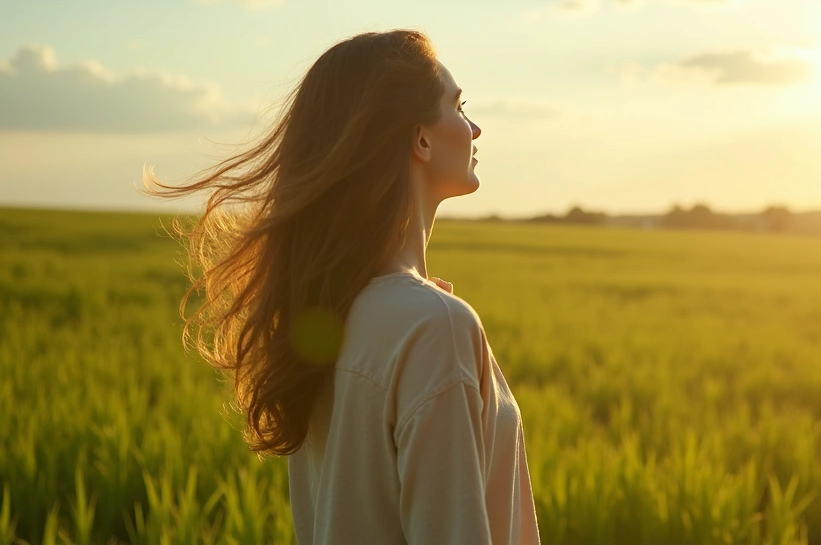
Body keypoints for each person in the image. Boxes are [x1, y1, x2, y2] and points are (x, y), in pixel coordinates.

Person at [141, 30, 541, 544]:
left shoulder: (331, 313)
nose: (475, 127)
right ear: (419, 138)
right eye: (459, 107)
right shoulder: (432, 326)